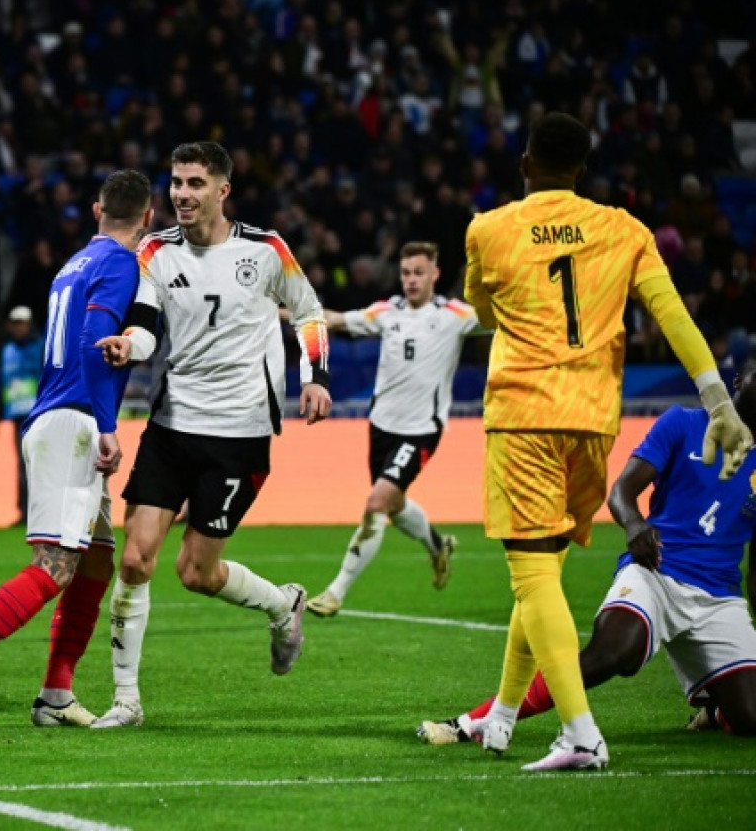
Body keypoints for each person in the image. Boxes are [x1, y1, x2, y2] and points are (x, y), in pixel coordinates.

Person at [461, 112, 752, 771]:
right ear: (583, 170)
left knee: (531, 575)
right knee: (546, 572)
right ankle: (501, 720)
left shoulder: (489, 228)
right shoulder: (624, 229)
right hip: (593, 422)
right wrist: (719, 401)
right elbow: (671, 312)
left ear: (526, 164)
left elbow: (481, 313)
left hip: (525, 415)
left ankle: (582, 735)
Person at [92, 142, 333, 729]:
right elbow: (146, 324)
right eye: (176, 182)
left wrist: (316, 376)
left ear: (222, 191)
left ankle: (282, 605)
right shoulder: (155, 251)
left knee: (196, 572)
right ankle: (126, 700)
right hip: (172, 425)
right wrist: (130, 344)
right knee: (136, 559)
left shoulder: (266, 249)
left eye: (195, 183)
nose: (182, 194)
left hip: (240, 433)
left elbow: (309, 312)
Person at [0, 170, 153, 733]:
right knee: (55, 565)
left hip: (53, 415)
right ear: (147, 218)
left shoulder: (71, 265)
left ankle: (56, 692)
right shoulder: (121, 265)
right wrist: (106, 424)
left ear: (97, 209)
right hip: (74, 421)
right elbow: (94, 341)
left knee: (96, 559)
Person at [419, 372, 756, 743]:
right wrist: (634, 526)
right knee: (614, 652)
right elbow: (622, 491)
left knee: (750, 718)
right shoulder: (683, 422)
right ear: (740, 379)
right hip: (657, 570)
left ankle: (716, 708)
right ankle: (476, 722)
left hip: (720, 597)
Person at [306, 242, 487, 617]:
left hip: (421, 430)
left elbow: (501, 319)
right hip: (381, 427)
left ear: (435, 274)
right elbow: (336, 319)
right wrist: (287, 312)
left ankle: (335, 592)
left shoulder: (455, 314)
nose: (411, 280)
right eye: (406, 273)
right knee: (394, 503)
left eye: (419, 272)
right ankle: (438, 546)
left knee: (376, 502)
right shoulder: (386, 312)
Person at [0, 305, 44, 526]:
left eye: (22, 323)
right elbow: (3, 383)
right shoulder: (7, 351)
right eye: (15, 324)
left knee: (37, 464)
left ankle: (38, 512)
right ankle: (25, 512)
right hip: (16, 414)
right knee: (23, 466)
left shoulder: (40, 347)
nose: (19, 328)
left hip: (37, 414)